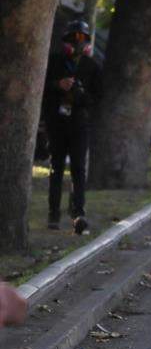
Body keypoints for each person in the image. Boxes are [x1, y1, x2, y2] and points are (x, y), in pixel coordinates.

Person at [44, 19, 102, 234]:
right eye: (73, 38)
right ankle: (53, 214)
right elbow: (41, 87)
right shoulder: (54, 61)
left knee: (78, 168)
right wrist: (57, 85)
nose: (77, 43)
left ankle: (79, 213)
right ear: (66, 40)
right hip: (56, 123)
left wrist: (80, 95)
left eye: (82, 39)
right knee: (56, 168)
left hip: (79, 124)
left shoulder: (91, 66)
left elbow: (98, 97)